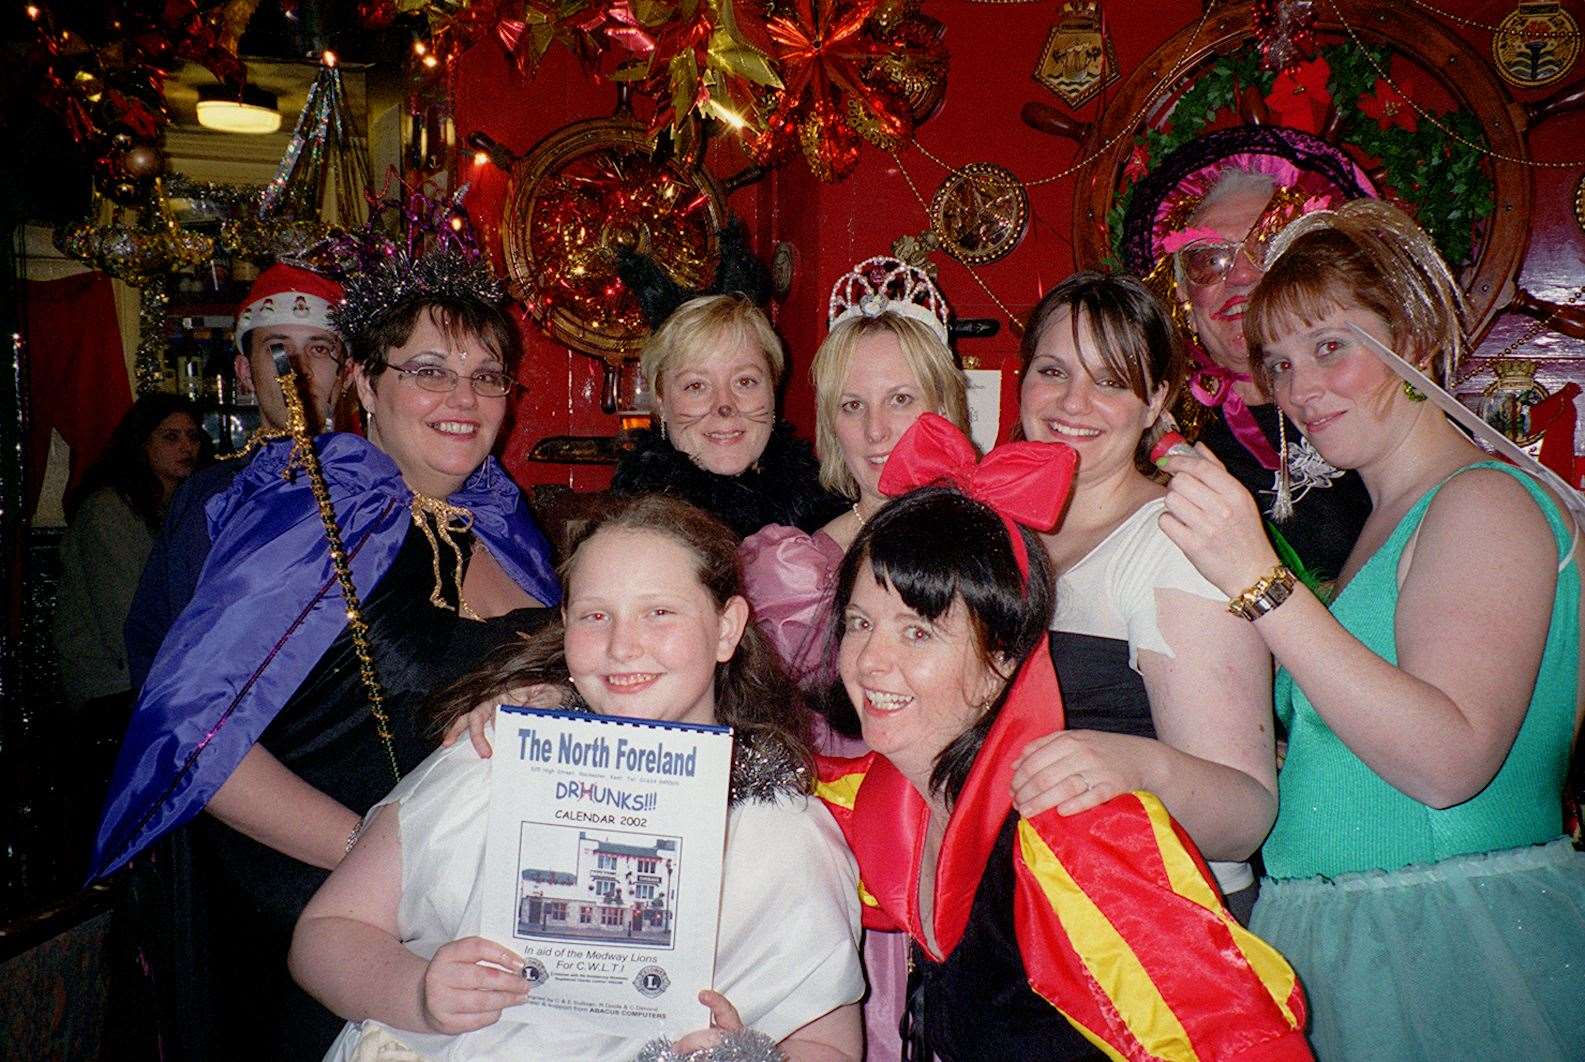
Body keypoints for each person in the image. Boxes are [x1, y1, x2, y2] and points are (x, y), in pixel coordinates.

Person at [91, 248, 562, 1060]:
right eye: (428, 369)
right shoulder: (305, 509)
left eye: (488, 376)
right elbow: (194, 739)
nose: (464, 397)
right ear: (366, 387)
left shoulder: (505, 523)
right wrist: (382, 866)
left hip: (476, 926)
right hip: (311, 920)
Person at [1160, 199, 1585, 1059]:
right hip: (1352, 928)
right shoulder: (1384, 520)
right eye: (1277, 363)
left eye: (1331, 346)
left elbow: (1446, 761)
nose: (1299, 389)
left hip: (1444, 948)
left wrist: (1258, 583)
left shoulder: (1482, 500)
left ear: (1414, 338)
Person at [291, 495, 864, 1060]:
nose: (622, 645)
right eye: (595, 616)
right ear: (564, 627)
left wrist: (750, 1057)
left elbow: (828, 1042)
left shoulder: (786, 830)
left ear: (726, 628)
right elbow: (326, 932)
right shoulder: (491, 759)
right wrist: (417, 993)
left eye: (659, 612)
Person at [815, 413, 1310, 1060]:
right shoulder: (888, 797)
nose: (871, 661)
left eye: (917, 631)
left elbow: (1241, 1041)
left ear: (1001, 663)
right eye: (858, 622)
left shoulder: (1075, 835)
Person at [739, 254, 968, 1059]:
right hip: (845, 879)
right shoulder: (792, 573)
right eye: (852, 405)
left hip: (980, 864)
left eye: (901, 400)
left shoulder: (1010, 542)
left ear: (943, 402)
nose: (877, 432)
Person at [1007, 272, 1276, 923]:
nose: (1073, 401)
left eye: (1108, 381)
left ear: (1154, 398)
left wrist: (1137, 766)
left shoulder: (1175, 543)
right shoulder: (996, 529)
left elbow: (1244, 818)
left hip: (1157, 931)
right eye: (1051, 370)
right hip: (1031, 908)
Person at [1122, 126, 1374, 583]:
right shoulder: (1143, 429)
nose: (1239, 275)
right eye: (1208, 260)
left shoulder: (1374, 404)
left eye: (1266, 248)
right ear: (1182, 295)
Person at [124, 262, 348, 689]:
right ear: (245, 372)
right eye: (277, 347)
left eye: (319, 348)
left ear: (346, 375)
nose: (296, 368)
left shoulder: (374, 489)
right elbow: (161, 641)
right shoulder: (209, 498)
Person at [612, 292, 844, 538]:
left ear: (772, 389)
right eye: (696, 386)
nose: (724, 406)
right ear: (661, 399)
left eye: (745, 381)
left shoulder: (828, 519)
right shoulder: (634, 530)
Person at [55, 392, 207, 711]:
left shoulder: (181, 507)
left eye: (193, 436)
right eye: (171, 437)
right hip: (113, 683)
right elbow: (124, 618)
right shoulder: (109, 512)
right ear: (142, 444)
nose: (186, 447)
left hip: (164, 671)